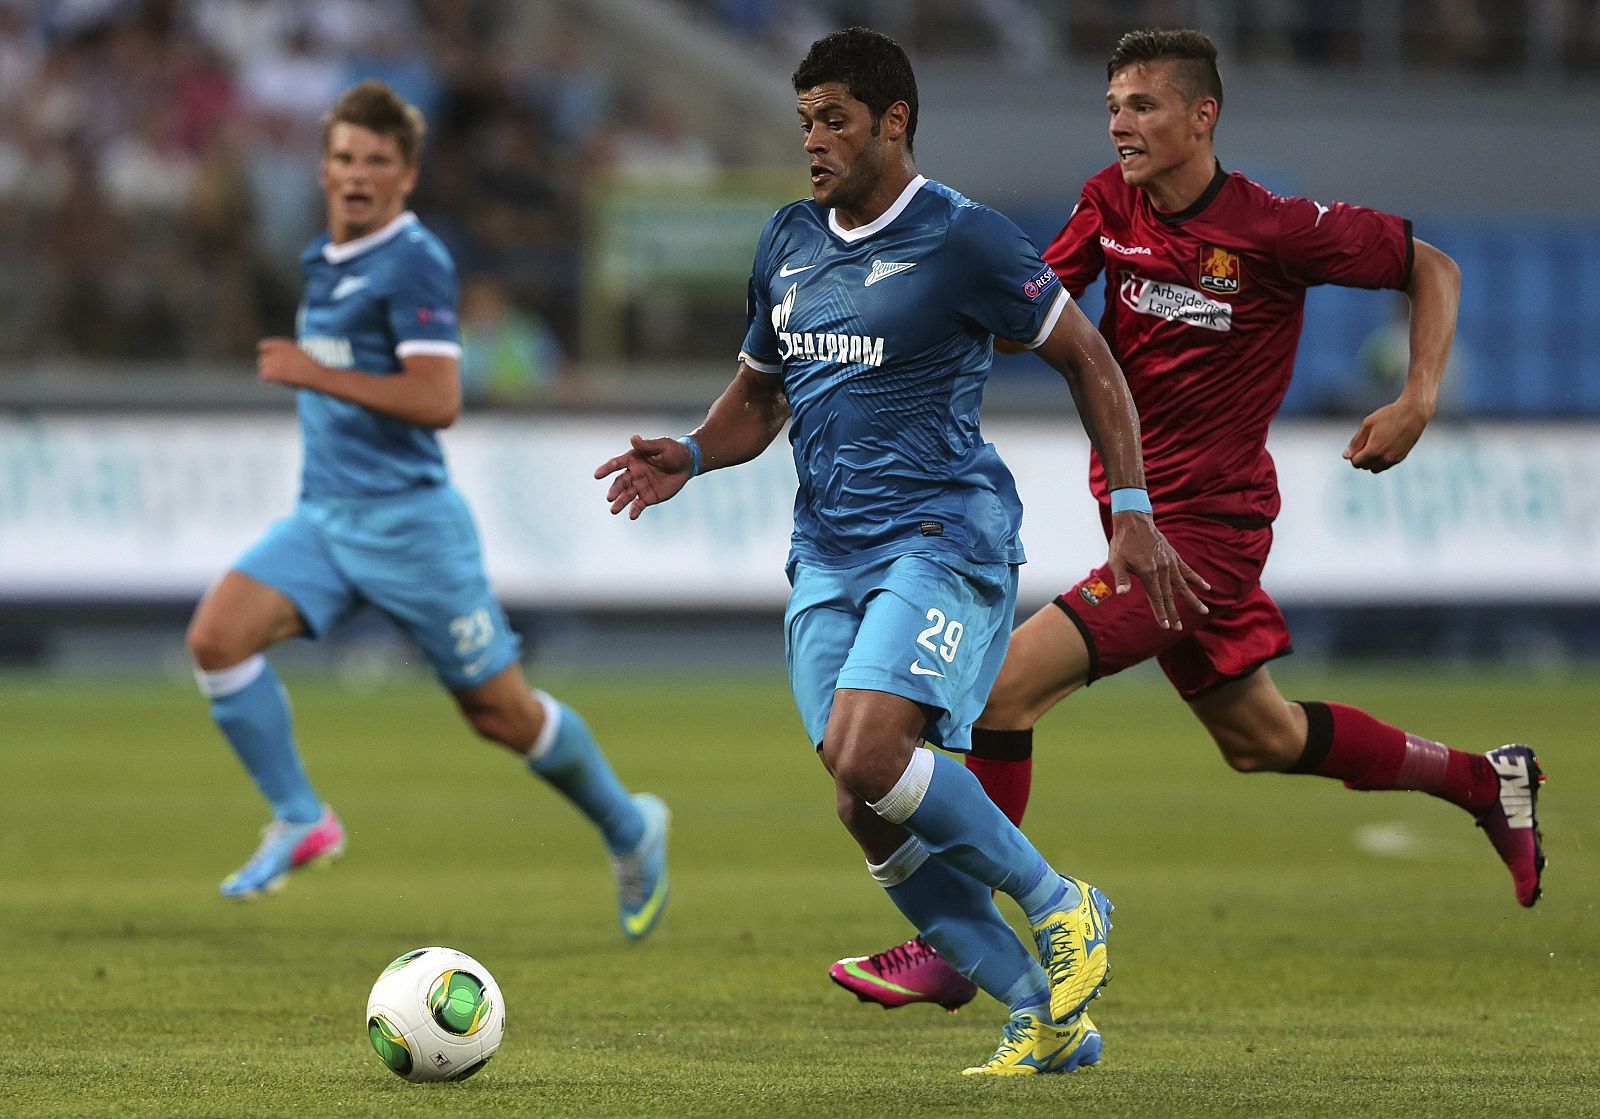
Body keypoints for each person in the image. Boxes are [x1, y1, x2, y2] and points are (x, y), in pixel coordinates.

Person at [830, 27, 1545, 1017]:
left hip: (1201, 539)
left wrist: (1416, 398)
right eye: (1113, 105)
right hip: (1143, 524)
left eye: (1142, 106)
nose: (1119, 122)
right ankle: (1482, 780)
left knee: (998, 696)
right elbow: (1026, 311)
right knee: (1261, 735)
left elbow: (1433, 267)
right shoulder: (1107, 203)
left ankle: (966, 942)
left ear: (1200, 117)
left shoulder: (1274, 228)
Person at [595, 27, 1204, 1076]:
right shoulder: (787, 240)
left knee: (876, 754)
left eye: (834, 119)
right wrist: (692, 452)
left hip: (943, 535)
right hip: (826, 556)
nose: (815, 141)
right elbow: (758, 398)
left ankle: (1065, 909)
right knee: (858, 794)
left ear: (894, 121)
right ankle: (1044, 1020)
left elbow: (1089, 358)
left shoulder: (964, 237)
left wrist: (1135, 505)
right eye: (805, 123)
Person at [185, 80, 670, 942]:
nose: (357, 175)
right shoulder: (318, 259)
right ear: (325, 168)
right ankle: (301, 817)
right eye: (343, 158)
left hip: (412, 526)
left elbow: (439, 397)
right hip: (327, 518)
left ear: (406, 176)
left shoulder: (416, 261)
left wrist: (314, 372)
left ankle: (632, 827)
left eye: (377, 161)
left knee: (501, 714)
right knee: (217, 638)